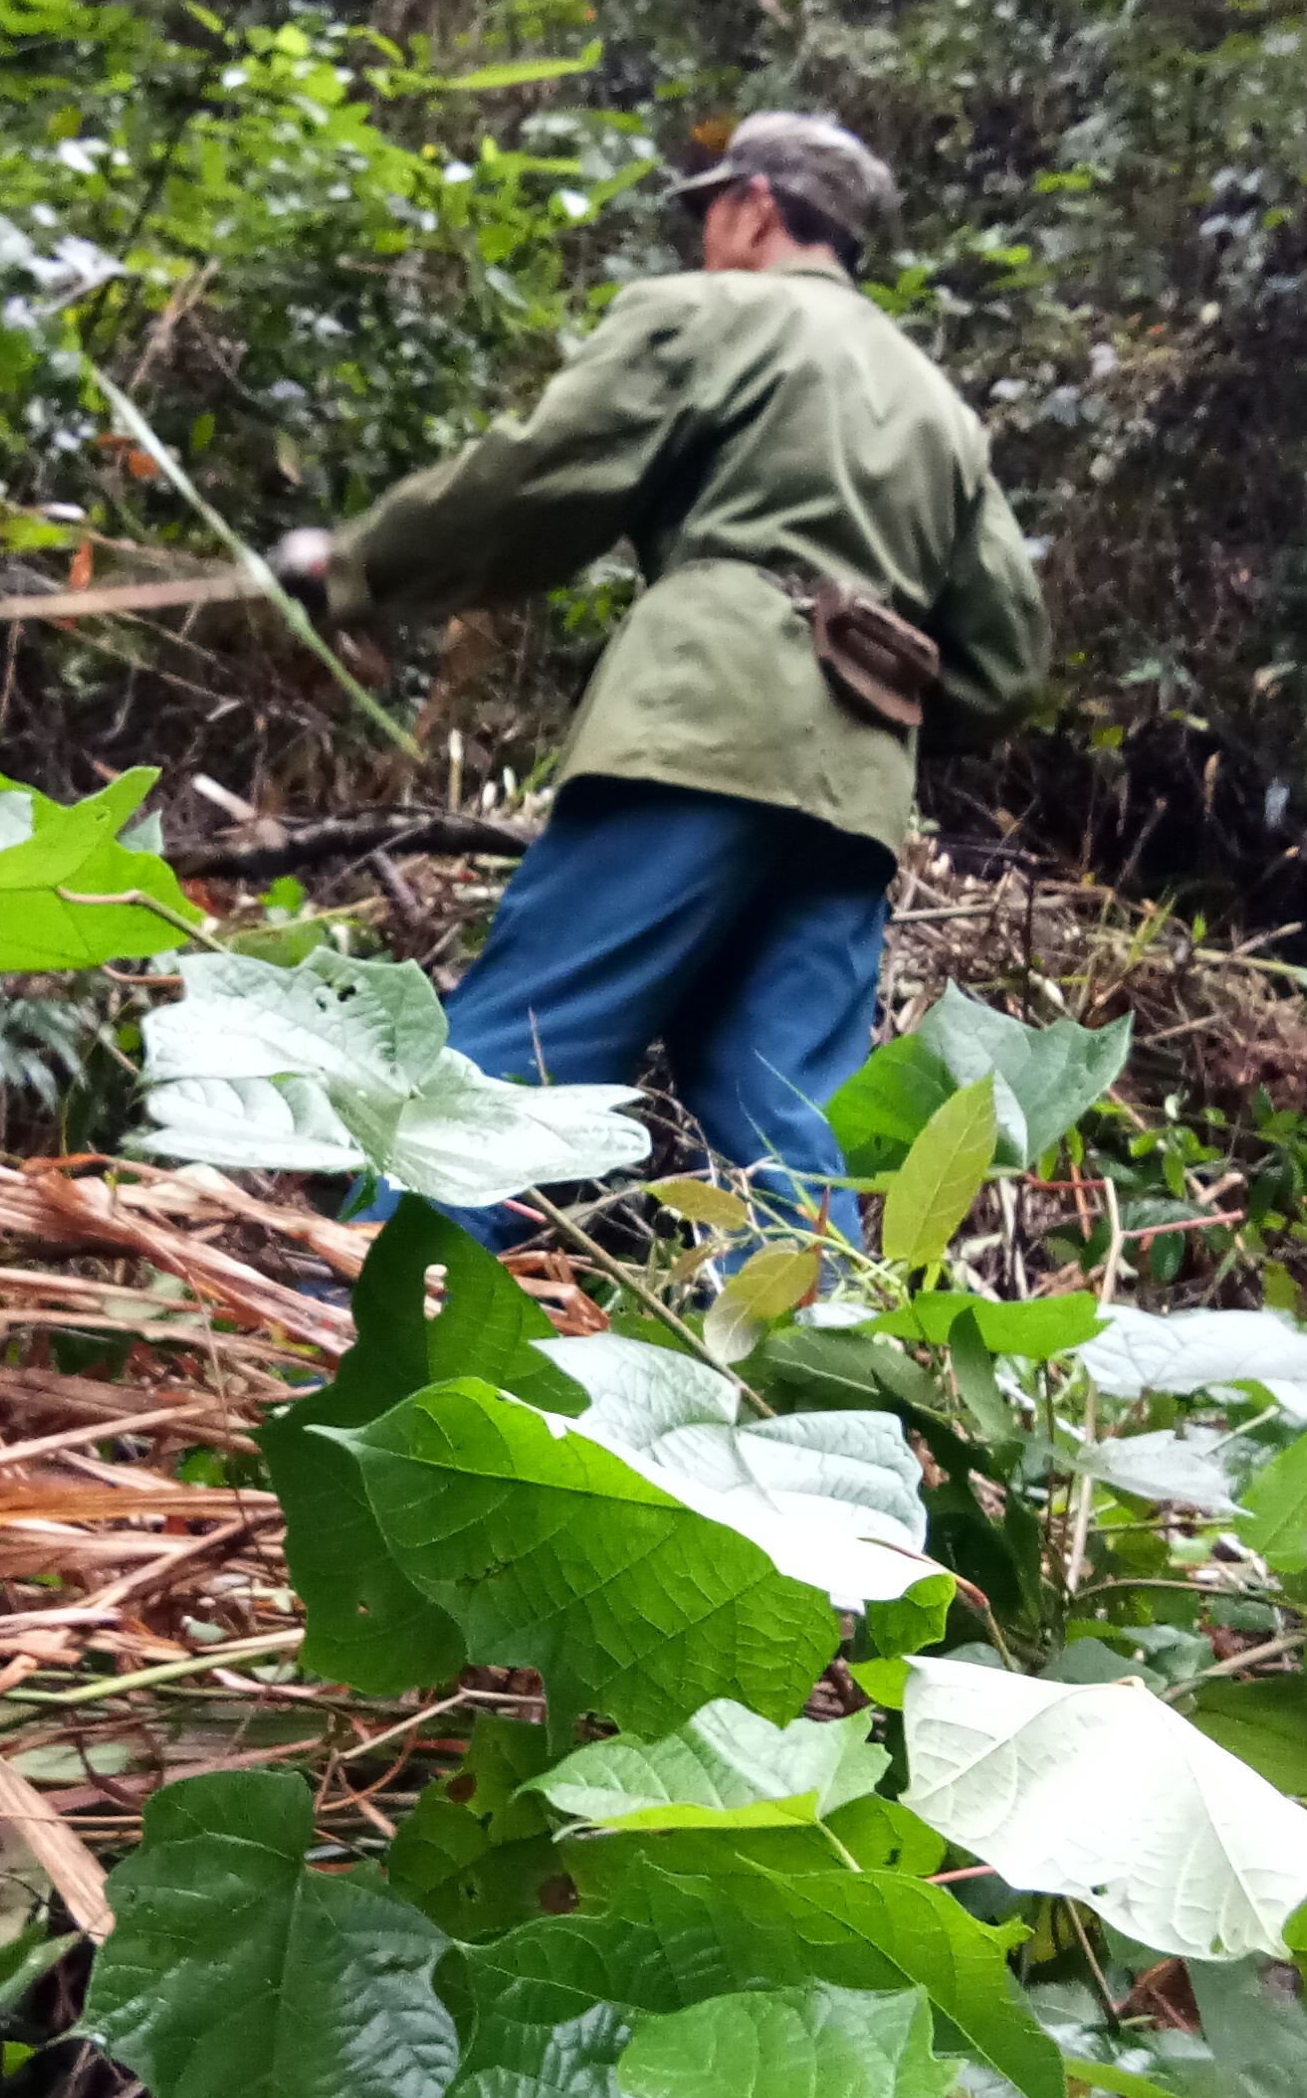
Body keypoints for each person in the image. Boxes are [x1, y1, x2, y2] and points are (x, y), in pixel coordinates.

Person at [269, 109, 1047, 1248]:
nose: (701, 240)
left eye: (708, 212)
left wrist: (354, 565)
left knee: (528, 1041)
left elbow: (538, 480)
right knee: (781, 1103)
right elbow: (1004, 665)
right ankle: (805, 1383)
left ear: (756, 206)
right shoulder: (940, 411)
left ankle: (355, 1321)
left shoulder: (709, 317)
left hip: (699, 720)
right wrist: (873, 693)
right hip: (856, 783)